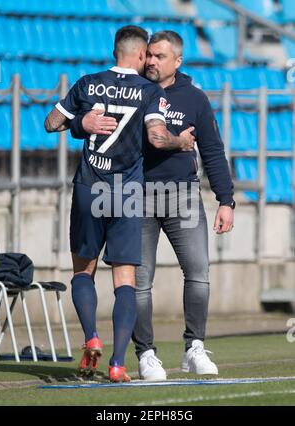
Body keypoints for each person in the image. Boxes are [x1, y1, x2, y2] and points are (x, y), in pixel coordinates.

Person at [70, 30, 235, 381]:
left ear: (178, 61)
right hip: (137, 197)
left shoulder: (194, 98)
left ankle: (195, 347)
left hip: (183, 195)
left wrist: (226, 200)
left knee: (198, 273)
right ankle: (145, 353)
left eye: (159, 57)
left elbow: (213, 150)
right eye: (149, 55)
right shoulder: (137, 92)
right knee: (139, 282)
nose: (151, 62)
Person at [44, 26, 195, 383]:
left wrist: (81, 122)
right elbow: (158, 137)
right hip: (126, 191)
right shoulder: (149, 90)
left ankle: (90, 337)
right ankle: (116, 364)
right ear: (141, 55)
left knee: (84, 270)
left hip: (89, 186)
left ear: (116, 51)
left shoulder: (87, 83)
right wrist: (181, 142)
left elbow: (51, 123)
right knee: (124, 278)